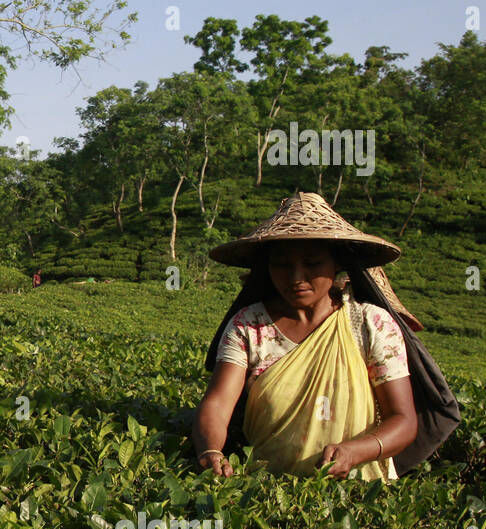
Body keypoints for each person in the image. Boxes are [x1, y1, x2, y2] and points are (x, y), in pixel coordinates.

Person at [193, 192, 459, 480]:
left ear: (337, 264)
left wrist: (357, 451)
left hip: (359, 493)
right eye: (282, 265)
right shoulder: (248, 325)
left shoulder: (371, 324)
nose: (296, 278)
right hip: (267, 490)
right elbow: (218, 403)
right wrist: (211, 451)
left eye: (312, 264)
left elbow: (403, 421)